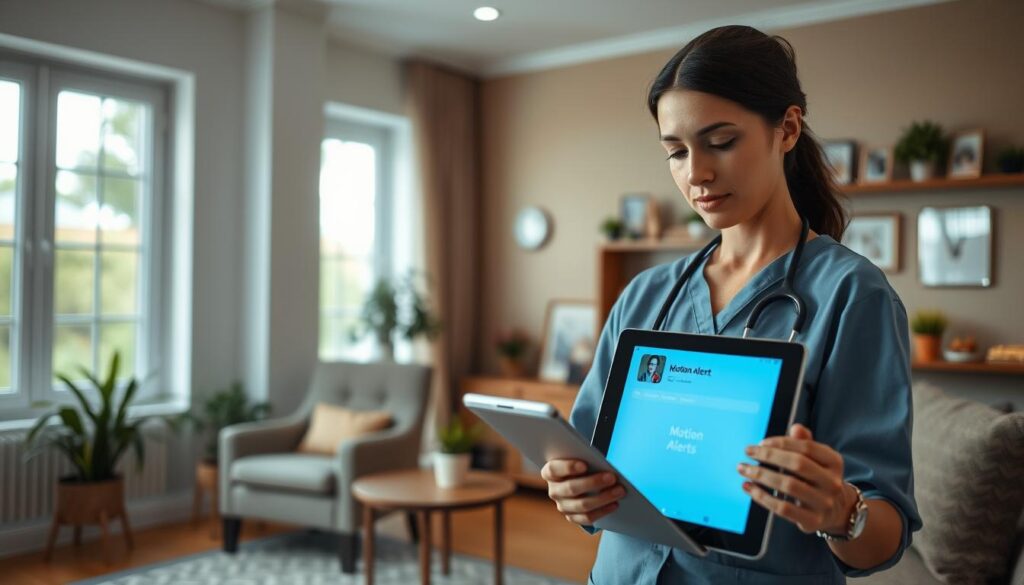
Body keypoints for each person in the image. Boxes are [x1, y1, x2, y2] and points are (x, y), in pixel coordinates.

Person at [541, 25, 921, 584]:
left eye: (720, 141)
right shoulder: (646, 295)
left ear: (786, 129)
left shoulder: (852, 296)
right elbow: (586, 462)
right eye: (676, 152)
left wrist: (843, 511)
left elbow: (882, 537)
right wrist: (573, 491)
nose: (695, 173)